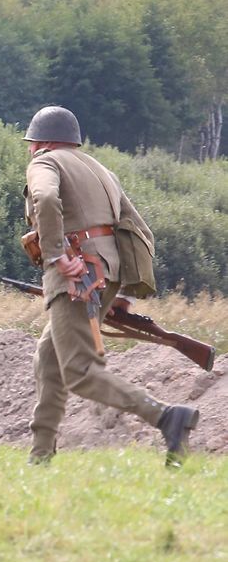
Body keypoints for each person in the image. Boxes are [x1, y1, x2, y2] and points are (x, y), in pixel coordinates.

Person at [23, 105, 197, 467]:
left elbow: (46, 199)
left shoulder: (45, 163)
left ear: (42, 142)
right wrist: (122, 290)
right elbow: (137, 229)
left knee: (81, 373)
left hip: (75, 273)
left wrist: (56, 256)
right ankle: (40, 457)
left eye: (31, 143)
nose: (29, 149)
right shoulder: (102, 170)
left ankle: (166, 416)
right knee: (48, 357)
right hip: (105, 274)